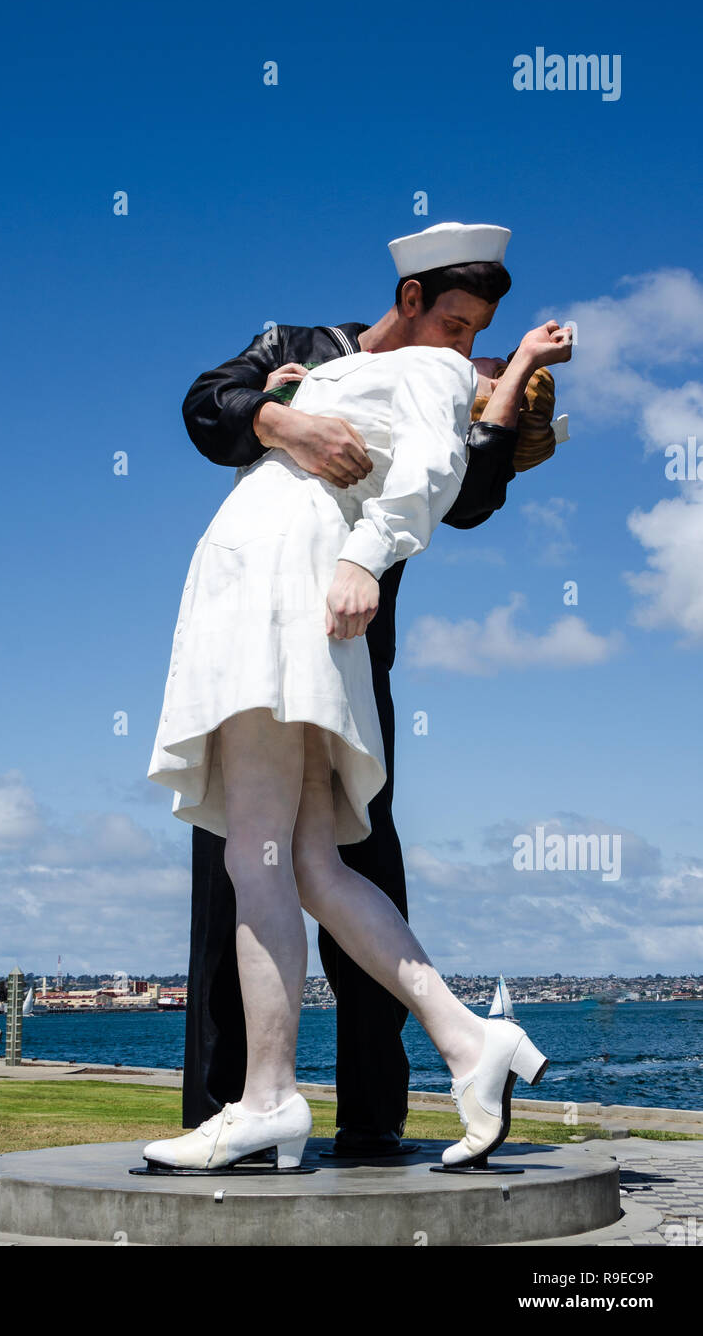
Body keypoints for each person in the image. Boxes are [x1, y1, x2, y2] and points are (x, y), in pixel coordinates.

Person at [145, 222, 572, 1171]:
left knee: (283, 864)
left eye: (477, 335)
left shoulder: (435, 374)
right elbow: (207, 403)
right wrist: (280, 411)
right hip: (295, 613)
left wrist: (360, 554)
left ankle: (309, 1106)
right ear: (411, 298)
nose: (463, 344)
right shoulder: (302, 351)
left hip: (303, 618)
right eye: (452, 322)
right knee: (301, 869)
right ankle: (455, 1045)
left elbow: (449, 486)